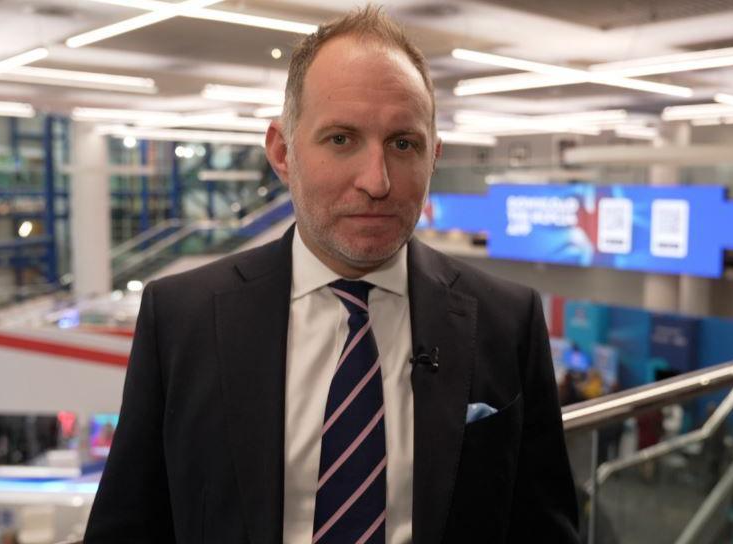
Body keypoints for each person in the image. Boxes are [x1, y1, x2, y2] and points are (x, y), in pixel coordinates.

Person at [85, 6, 581, 543]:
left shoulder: (507, 321)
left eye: (403, 143)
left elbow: (543, 526)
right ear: (282, 151)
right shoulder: (182, 318)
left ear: (433, 156)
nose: (377, 181)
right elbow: (129, 525)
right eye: (341, 139)